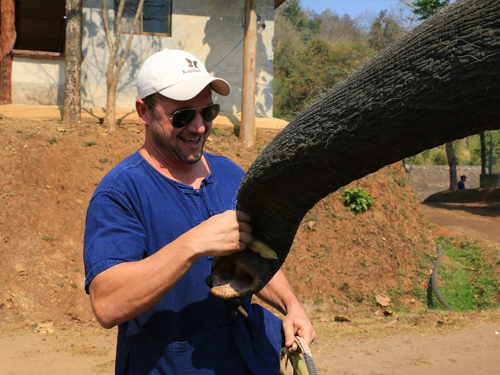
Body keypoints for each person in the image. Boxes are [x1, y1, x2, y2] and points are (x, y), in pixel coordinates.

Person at [83, 49, 315, 374]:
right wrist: (193, 244)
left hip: (245, 361)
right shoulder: (121, 192)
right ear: (143, 112)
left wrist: (292, 306)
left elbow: (256, 258)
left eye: (208, 112)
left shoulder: (233, 175)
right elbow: (107, 305)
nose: (198, 126)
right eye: (181, 116)